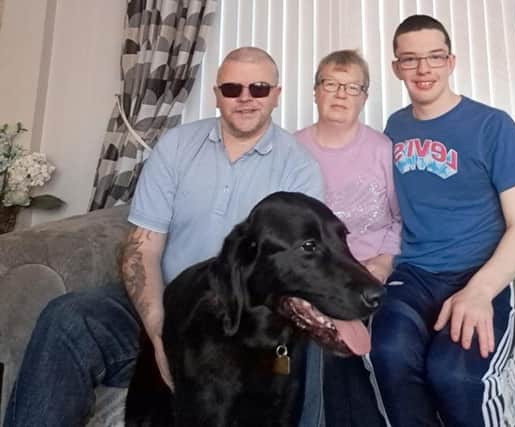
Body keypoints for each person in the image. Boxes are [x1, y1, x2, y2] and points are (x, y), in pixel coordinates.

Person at [3, 46, 323, 427]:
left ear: (276, 94)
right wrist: (158, 332)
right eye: (232, 88)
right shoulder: (175, 146)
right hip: (163, 298)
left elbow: (288, 275)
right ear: (216, 93)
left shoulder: (298, 168)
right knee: (68, 316)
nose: (245, 99)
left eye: (258, 88)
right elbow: (143, 247)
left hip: (238, 316)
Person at [369, 15, 515, 427]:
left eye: (434, 57)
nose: (423, 69)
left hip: (475, 272)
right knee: (387, 353)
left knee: (453, 372)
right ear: (396, 68)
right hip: (414, 274)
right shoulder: (394, 127)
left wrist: (480, 291)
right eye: (410, 60)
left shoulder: (493, 126)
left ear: (451, 61)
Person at [294, 49, 401, 427]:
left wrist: (384, 262)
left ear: (364, 96)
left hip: (373, 274)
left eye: (352, 87)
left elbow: (402, 219)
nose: (341, 94)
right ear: (315, 91)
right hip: (314, 281)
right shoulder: (292, 150)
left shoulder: (383, 150)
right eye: (331, 84)